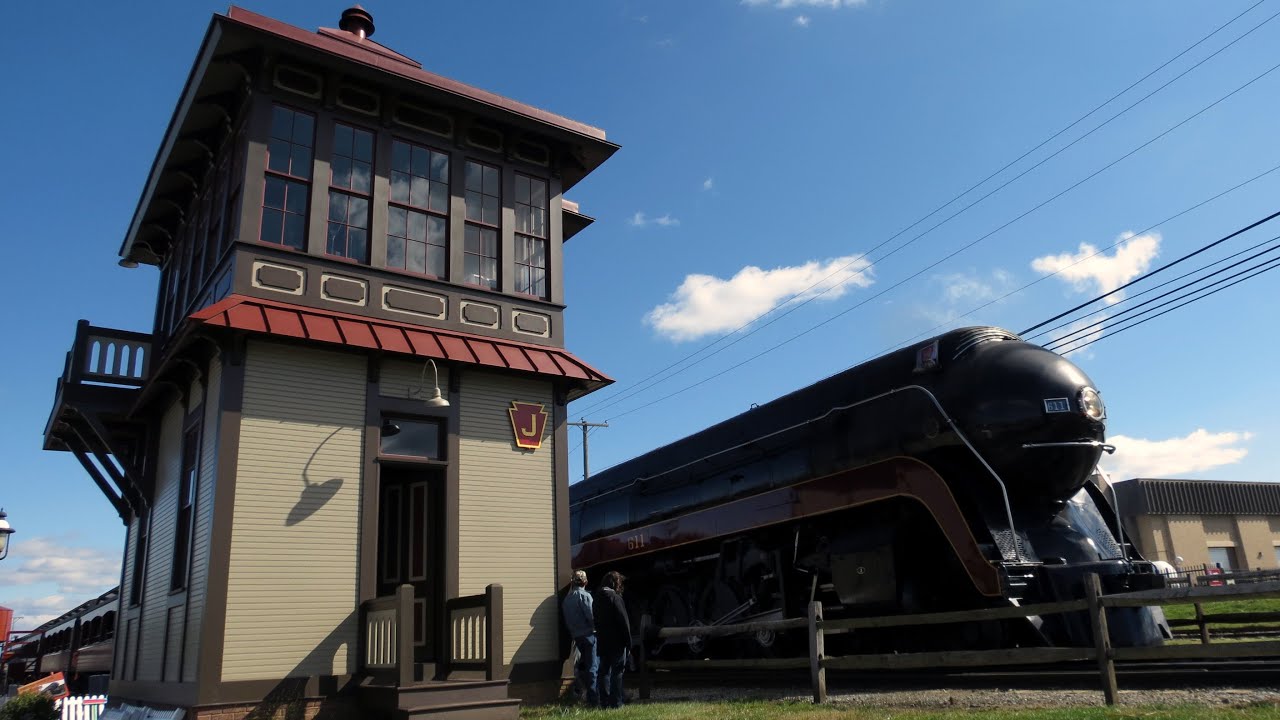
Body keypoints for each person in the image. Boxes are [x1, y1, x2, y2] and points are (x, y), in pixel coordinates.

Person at [593, 570, 631, 709]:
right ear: (615, 583)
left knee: (603, 672)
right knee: (617, 671)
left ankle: (604, 702)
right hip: (617, 641)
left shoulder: (596, 599)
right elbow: (624, 622)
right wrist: (628, 642)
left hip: (602, 641)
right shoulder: (615, 598)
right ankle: (616, 702)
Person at [560, 569, 598, 705]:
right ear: (585, 582)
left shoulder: (567, 600)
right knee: (593, 667)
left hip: (576, 637)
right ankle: (593, 699)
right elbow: (592, 617)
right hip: (589, 635)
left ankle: (580, 691)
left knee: (580, 667)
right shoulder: (585, 596)